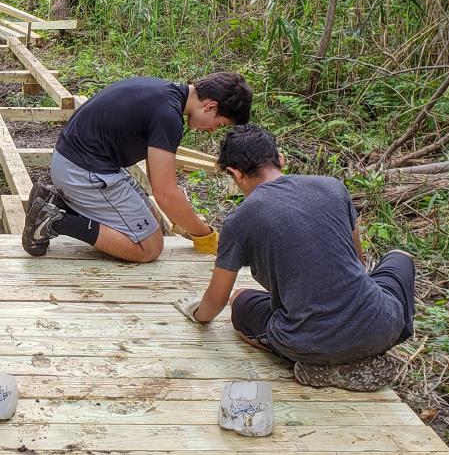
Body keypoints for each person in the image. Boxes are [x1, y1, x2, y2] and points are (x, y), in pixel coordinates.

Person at [172, 125, 415, 392]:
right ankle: (363, 348)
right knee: (399, 258)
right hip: (380, 326)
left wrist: (196, 314)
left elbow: (215, 301)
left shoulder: (240, 220)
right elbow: (358, 261)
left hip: (308, 342)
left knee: (238, 300)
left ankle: (322, 365)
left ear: (235, 173)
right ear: (281, 158)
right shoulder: (333, 187)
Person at [23, 73, 252, 263]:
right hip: (83, 171)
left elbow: (160, 187)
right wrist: (205, 235)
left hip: (76, 161)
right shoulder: (168, 117)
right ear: (211, 106)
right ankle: (55, 220)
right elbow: (165, 194)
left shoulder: (164, 91)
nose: (212, 130)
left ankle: (56, 203)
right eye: (219, 124)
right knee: (149, 246)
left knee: (151, 221)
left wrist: (189, 223)